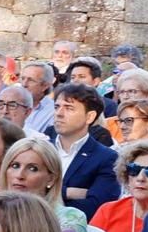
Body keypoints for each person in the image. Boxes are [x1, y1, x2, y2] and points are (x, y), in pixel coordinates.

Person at [0, 136, 96, 232]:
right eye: (14, 166)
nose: (19, 175)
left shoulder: (71, 218)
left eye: (32, 168)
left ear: (51, 178)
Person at [49, 83, 121, 219]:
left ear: (90, 117)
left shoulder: (107, 158)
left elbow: (96, 207)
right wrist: (68, 192)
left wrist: (48, 193)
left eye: (69, 108)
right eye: (57, 107)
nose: (59, 113)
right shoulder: (40, 150)